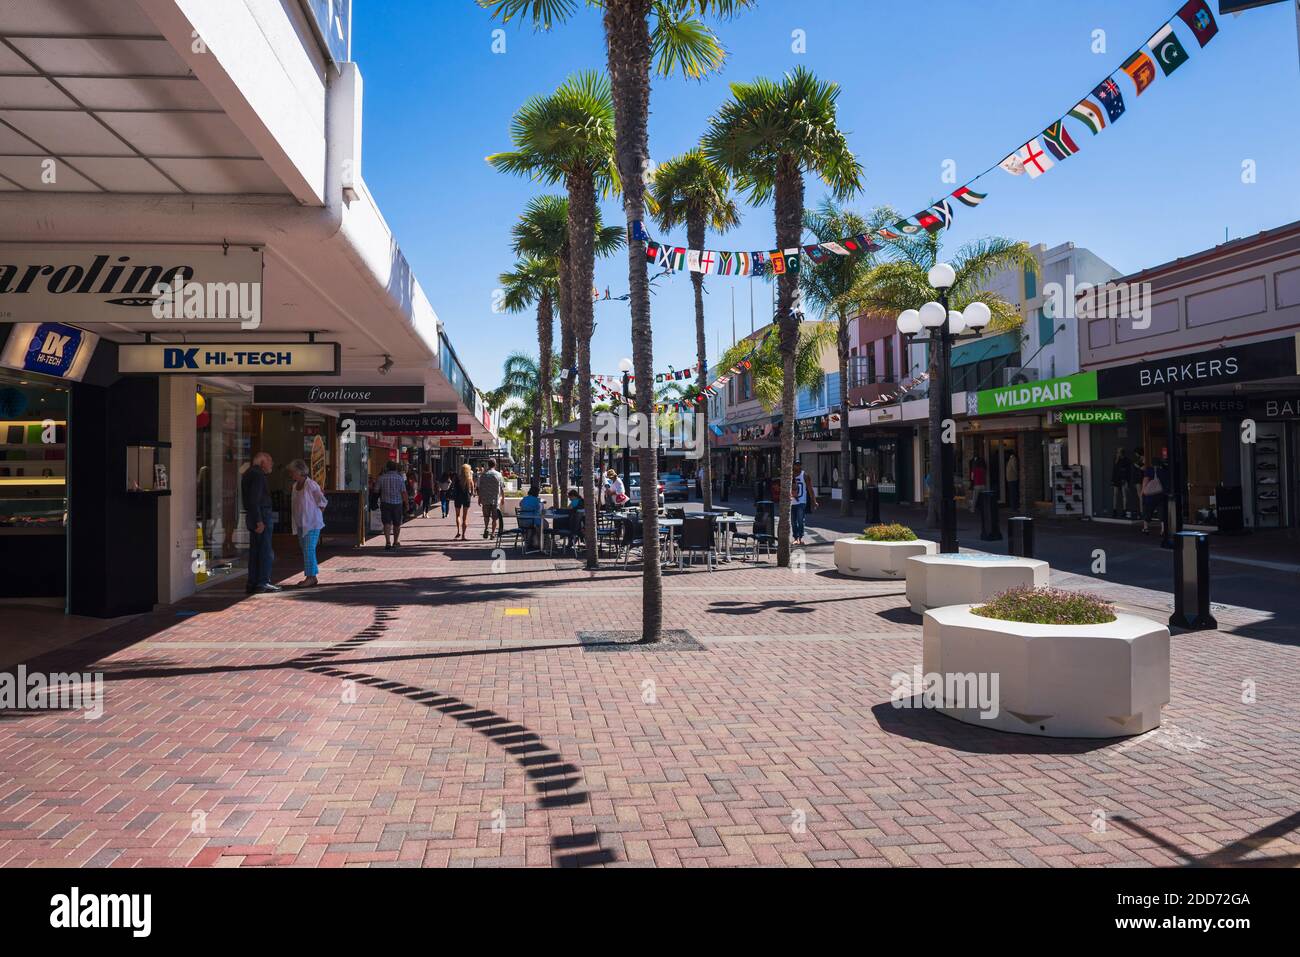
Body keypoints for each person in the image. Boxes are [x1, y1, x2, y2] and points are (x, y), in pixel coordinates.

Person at [241, 451, 279, 593]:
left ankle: (253, 582)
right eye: (269, 461)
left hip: (254, 515)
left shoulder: (249, 473)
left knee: (256, 551)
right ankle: (263, 581)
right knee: (265, 550)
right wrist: (259, 521)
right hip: (261, 515)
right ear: (262, 462)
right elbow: (254, 500)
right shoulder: (258, 475)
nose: (271, 464)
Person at [287, 458, 327, 587]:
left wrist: (316, 514)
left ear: (299, 471)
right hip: (301, 524)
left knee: (309, 549)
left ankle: (310, 577)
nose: (291, 474)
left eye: (293, 472)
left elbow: (322, 501)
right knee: (305, 550)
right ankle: (312, 576)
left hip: (312, 524)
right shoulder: (294, 486)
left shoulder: (311, 485)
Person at [376, 460, 408, 550]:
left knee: (387, 523)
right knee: (397, 523)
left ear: (387, 468)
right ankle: (395, 541)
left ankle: (387, 542)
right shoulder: (400, 478)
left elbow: (376, 490)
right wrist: (406, 503)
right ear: (395, 468)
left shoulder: (381, 478)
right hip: (397, 503)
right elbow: (404, 492)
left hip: (385, 503)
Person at [477, 457, 505, 539]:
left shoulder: (482, 475)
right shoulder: (498, 475)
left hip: (485, 499)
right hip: (495, 500)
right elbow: (502, 488)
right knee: (494, 518)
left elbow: (479, 488)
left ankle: (486, 528)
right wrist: (503, 498)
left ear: (488, 464)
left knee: (486, 516)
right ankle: (492, 533)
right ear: (495, 465)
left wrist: (479, 498)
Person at [791, 461, 816, 547]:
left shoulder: (805, 475)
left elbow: (810, 489)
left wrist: (814, 501)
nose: (798, 466)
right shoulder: (790, 475)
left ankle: (800, 538)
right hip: (791, 502)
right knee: (793, 522)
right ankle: (795, 538)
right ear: (793, 466)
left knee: (800, 520)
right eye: (796, 465)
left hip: (801, 502)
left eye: (799, 465)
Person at [1139, 459, 1165, 535]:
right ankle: (1163, 530)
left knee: (1147, 511)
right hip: (1160, 495)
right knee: (1161, 512)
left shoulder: (1149, 470)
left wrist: (1143, 491)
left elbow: (1145, 480)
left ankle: (1146, 528)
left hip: (1150, 496)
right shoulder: (1163, 471)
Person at [517, 483, 544, 550]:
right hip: (531, 521)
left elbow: (520, 505)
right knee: (541, 525)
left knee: (533, 527)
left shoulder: (524, 498)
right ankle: (539, 543)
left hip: (521, 521)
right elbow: (539, 510)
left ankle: (529, 542)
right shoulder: (537, 500)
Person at [452, 463, 475, 540]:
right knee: (464, 518)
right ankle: (463, 535)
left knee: (458, 515)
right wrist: (471, 494)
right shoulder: (469, 478)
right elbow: (472, 491)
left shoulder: (457, 477)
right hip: (466, 497)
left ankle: (458, 531)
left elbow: (453, 487)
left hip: (458, 497)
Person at [1111, 448, 1131, 518]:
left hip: (1124, 479)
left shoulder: (1126, 460)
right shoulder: (1116, 460)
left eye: (1118, 452)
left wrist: (1127, 481)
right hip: (1116, 479)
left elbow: (1128, 472)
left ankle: (1124, 511)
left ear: (1121, 453)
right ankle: (1114, 510)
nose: (1117, 453)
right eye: (1117, 452)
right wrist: (1112, 481)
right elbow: (1114, 470)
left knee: (1124, 495)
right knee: (1115, 495)